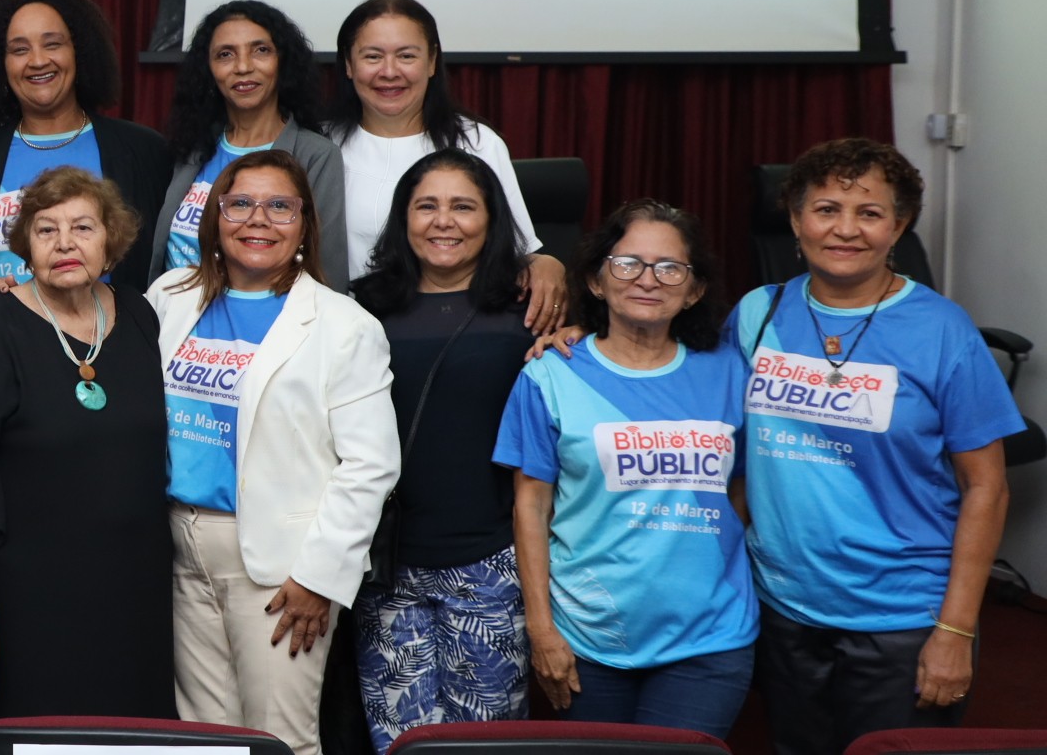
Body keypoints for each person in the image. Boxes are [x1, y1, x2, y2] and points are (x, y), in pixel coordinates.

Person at [731, 139, 1020, 755]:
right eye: (826, 209)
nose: (845, 229)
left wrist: (955, 630)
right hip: (782, 605)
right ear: (795, 220)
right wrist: (573, 338)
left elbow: (987, 488)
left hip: (903, 616)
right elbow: (711, 429)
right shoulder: (758, 313)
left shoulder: (943, 330)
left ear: (899, 226)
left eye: (869, 213)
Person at [149, 149, 398, 755]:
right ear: (216, 216)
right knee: (206, 740)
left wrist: (319, 576)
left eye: (280, 206)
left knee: (278, 740)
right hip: (179, 548)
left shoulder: (344, 325)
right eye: (240, 203)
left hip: (282, 567)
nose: (258, 219)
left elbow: (371, 466)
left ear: (305, 223)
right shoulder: (169, 297)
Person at [495, 200, 756, 737]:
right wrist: (541, 629)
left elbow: (745, 490)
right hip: (588, 635)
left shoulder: (730, 371)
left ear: (694, 290)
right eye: (628, 263)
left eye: (670, 268)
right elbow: (531, 507)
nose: (648, 279)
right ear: (596, 280)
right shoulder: (551, 374)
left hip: (710, 635)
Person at [0, 167, 175, 721]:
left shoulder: (138, 314)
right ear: (25, 246)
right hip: (28, 598)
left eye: (83, 227)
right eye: (46, 230)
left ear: (110, 240)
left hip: (135, 594)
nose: (65, 243)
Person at [347, 151, 537, 749]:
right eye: (426, 205)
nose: (443, 221)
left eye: (463, 206)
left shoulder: (530, 313)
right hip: (385, 570)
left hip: (491, 568)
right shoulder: (358, 308)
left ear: (492, 219)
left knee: (484, 745)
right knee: (398, 743)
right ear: (403, 218)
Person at [329, 0, 566, 327]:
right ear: (348, 65)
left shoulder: (477, 143)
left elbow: (517, 252)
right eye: (372, 56)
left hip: (460, 326)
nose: (389, 72)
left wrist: (547, 264)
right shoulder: (321, 147)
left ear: (431, 62)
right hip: (343, 327)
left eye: (406, 56)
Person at [0, 0, 172, 293]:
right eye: (20, 49)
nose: (38, 61)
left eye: (52, 44)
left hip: (117, 324)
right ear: (0, 65)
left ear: (79, 52)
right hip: (3, 325)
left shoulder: (143, 152)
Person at [153, 0, 345, 285]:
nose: (243, 67)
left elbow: (328, 269)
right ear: (208, 69)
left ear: (283, 61)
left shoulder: (315, 156)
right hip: (172, 308)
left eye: (261, 50)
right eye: (225, 54)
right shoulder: (190, 148)